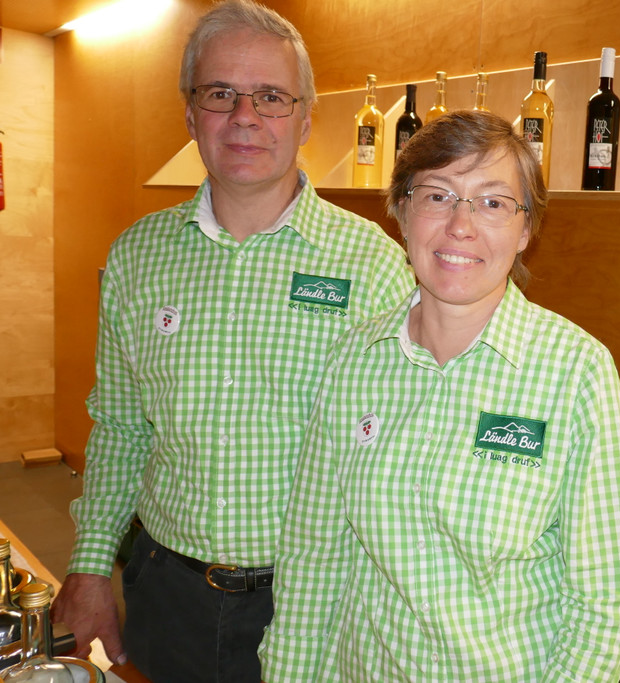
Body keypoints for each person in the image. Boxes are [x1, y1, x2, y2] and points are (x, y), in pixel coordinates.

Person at [50, 2, 414, 681]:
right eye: (220, 93)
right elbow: (122, 426)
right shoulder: (137, 257)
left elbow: (402, 455)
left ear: (305, 119)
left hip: (315, 602)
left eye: (271, 96)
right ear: (191, 115)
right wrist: (91, 565)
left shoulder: (374, 266)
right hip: (164, 591)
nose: (245, 116)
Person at [259, 110, 620, 682]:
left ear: (526, 230)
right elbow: (314, 555)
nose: (461, 225)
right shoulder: (353, 361)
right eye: (438, 196)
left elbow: (601, 603)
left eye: (492, 202)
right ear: (401, 212)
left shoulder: (575, 371)